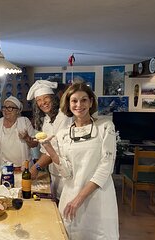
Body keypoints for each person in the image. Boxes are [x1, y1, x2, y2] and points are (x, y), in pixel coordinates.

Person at [40, 82, 119, 239]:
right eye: (74, 101)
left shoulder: (105, 127)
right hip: (70, 196)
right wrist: (49, 149)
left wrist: (79, 198)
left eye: (84, 100)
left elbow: (106, 166)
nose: (79, 105)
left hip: (98, 197)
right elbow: (67, 172)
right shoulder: (63, 134)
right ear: (68, 105)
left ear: (90, 102)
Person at [27, 80, 72, 200]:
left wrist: (36, 167)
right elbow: (45, 149)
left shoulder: (64, 117)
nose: (43, 103)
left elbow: (54, 150)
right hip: (54, 173)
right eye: (39, 100)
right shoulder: (47, 120)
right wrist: (38, 166)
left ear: (53, 98)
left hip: (67, 173)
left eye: (46, 98)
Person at [0, 96, 38, 169]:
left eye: (10, 108)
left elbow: (35, 144)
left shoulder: (24, 121)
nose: (6, 110)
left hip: (23, 168)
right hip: (1, 168)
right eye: (4, 108)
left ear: (18, 111)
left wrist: (26, 138)